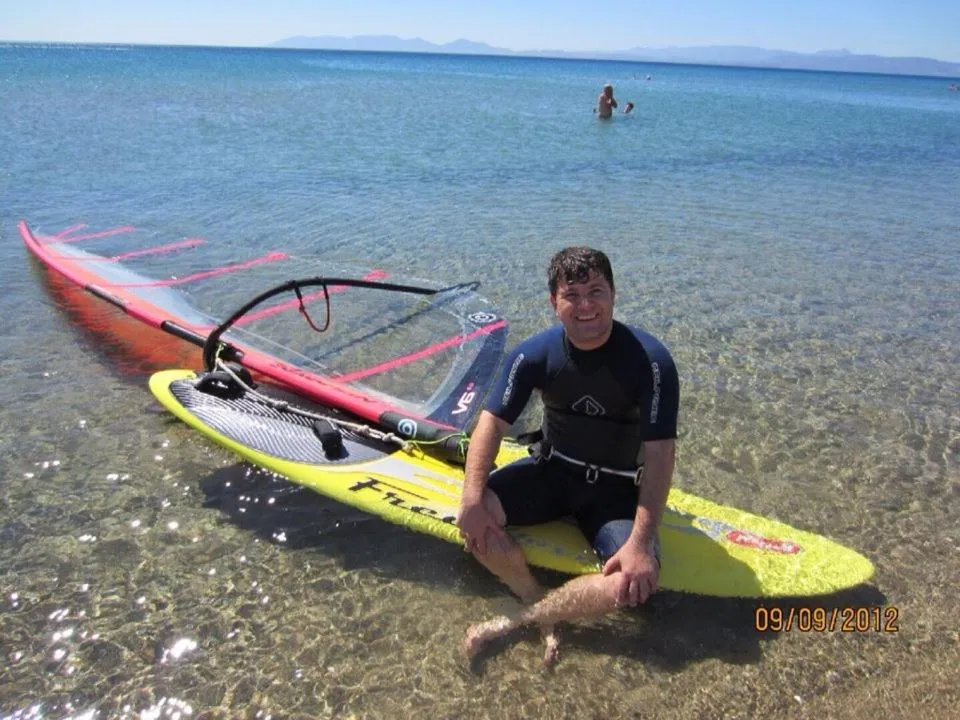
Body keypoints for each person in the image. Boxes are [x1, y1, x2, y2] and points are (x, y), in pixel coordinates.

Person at [456, 247, 680, 666]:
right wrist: (471, 498)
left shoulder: (650, 362)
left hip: (615, 492)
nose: (585, 305)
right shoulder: (534, 354)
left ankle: (523, 619)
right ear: (553, 302)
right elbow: (490, 424)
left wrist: (641, 541)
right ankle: (534, 596)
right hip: (552, 472)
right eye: (572, 294)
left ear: (614, 293)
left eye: (596, 291)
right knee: (477, 516)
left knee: (630, 583)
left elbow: (661, 453)